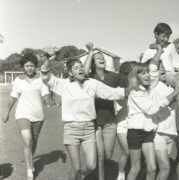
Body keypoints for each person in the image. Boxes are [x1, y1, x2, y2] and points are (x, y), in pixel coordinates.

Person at [40, 57, 126, 180]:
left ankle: (81, 177)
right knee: (76, 168)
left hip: (89, 129)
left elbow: (111, 93)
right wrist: (48, 60)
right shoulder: (64, 84)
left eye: (81, 66)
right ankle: (77, 175)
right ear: (70, 73)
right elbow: (46, 77)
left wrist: (129, 91)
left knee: (92, 165)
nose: (80, 68)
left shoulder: (92, 83)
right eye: (76, 67)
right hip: (72, 129)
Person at [126, 62, 179, 180]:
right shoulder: (135, 92)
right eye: (143, 73)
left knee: (152, 168)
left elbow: (156, 109)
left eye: (147, 72)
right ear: (136, 77)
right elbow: (151, 109)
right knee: (135, 168)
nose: (147, 75)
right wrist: (174, 93)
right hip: (135, 133)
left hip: (148, 134)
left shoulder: (147, 91)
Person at [2, 52, 50, 180]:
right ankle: (30, 171)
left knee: (33, 141)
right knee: (27, 140)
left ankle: (29, 159)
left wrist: (47, 99)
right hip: (22, 114)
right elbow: (13, 97)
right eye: (27, 65)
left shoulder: (41, 79)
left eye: (32, 65)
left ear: (36, 66)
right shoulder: (18, 81)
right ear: (23, 67)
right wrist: (7, 111)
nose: (29, 68)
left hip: (38, 115)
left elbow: (45, 94)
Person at [84, 43, 126, 180]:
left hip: (110, 122)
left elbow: (129, 83)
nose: (101, 59)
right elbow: (84, 71)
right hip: (94, 122)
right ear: (92, 62)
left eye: (102, 57)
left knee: (107, 156)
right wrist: (91, 52)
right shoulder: (88, 78)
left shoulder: (114, 76)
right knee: (101, 157)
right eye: (97, 58)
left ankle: (93, 171)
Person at [115, 61, 137, 180]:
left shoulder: (139, 86)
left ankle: (134, 173)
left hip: (137, 122)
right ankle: (121, 174)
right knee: (127, 152)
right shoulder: (119, 88)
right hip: (123, 123)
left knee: (138, 153)